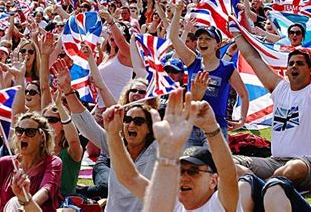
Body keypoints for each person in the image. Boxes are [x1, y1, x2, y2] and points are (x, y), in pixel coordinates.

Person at [232, 4, 311, 191]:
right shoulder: (280, 89)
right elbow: (253, 58)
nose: (294, 66)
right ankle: (262, 187)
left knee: (293, 168)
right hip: (275, 162)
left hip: (310, 165)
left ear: (310, 70)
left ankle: (259, 191)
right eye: (291, 63)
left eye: (299, 63)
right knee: (230, 162)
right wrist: (235, 33)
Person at [103, 88, 241, 212]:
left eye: (193, 172)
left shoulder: (219, 205)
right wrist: (113, 134)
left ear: (213, 181)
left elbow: (227, 174)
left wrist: (211, 128)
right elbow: (130, 178)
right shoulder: (172, 204)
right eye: (180, 171)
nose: (184, 177)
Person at [53, 59, 157, 211]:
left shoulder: (159, 150)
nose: (131, 124)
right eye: (127, 119)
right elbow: (88, 125)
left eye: (139, 121)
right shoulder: (115, 145)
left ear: (149, 127)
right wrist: (68, 91)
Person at [170, 1, 249, 147]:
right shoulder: (192, 61)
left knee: (213, 167)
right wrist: (177, 12)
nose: (202, 42)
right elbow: (174, 38)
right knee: (188, 167)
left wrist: (242, 119)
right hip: (190, 126)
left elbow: (243, 94)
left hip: (216, 127)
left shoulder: (227, 68)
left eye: (207, 39)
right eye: (200, 38)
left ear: (217, 45)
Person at [0, 112, 62, 212]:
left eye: (30, 132)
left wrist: (24, 205)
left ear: (42, 137)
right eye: (19, 131)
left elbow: (45, 191)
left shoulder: (52, 162)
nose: (23, 136)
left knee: (15, 202)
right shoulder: (5, 163)